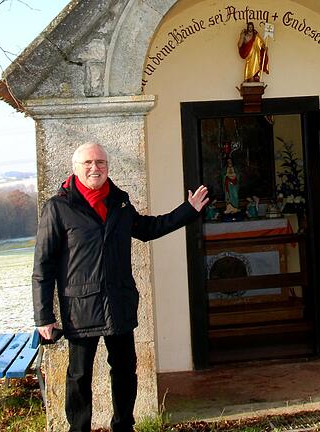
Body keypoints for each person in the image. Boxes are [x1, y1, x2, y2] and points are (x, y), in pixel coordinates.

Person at [32, 143, 209, 432]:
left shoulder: (120, 202)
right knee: (78, 376)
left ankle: (124, 426)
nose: (95, 168)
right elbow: (43, 265)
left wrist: (188, 211)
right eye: (88, 162)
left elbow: (149, 229)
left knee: (125, 371)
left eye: (100, 162)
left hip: (119, 302)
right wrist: (43, 316)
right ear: (76, 168)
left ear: (108, 167)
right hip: (80, 307)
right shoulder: (59, 207)